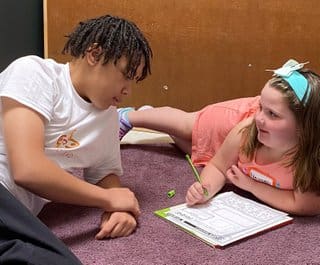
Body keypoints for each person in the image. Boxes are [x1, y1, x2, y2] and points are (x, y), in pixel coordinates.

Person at [0, 14, 152, 264]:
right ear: (94, 54)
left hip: (15, 216)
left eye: (133, 81)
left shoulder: (107, 117)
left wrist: (119, 206)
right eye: (125, 75)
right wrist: (107, 198)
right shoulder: (35, 73)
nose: (128, 90)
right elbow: (27, 169)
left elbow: (104, 173)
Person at [118, 59, 320, 216]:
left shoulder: (311, 160)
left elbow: (303, 205)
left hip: (238, 161)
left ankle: (157, 118)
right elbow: (218, 166)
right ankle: (130, 116)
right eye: (261, 106)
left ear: (304, 127)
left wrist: (251, 185)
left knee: (198, 151)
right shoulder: (248, 126)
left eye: (273, 114)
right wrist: (205, 189)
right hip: (230, 121)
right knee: (190, 127)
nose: (259, 118)